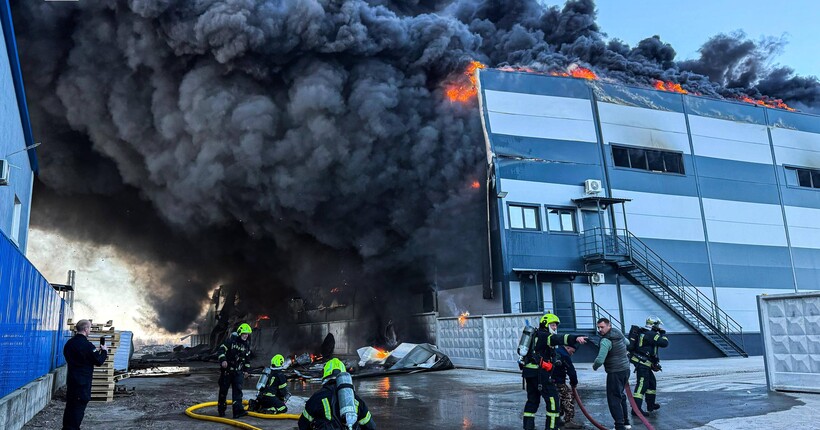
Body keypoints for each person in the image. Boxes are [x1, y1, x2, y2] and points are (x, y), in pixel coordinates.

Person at [521, 313, 588, 430]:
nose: (555, 328)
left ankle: (528, 427)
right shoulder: (545, 336)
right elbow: (559, 338)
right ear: (545, 324)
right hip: (540, 374)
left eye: (556, 325)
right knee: (553, 402)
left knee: (532, 401)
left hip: (529, 373)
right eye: (552, 325)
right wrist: (575, 338)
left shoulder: (536, 335)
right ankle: (551, 428)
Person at [298, 358, 375, 429]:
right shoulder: (355, 400)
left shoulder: (318, 397)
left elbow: (302, 424)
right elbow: (371, 427)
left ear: (326, 374)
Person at [63, 319, 108, 430]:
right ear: (86, 329)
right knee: (77, 411)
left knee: (70, 408)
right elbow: (98, 361)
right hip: (82, 384)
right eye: (90, 328)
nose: (90, 330)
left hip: (71, 381)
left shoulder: (69, 344)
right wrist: (104, 351)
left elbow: (78, 357)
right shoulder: (87, 346)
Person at [592, 318, 631, 430]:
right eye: (598, 327)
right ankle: (626, 422)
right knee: (621, 395)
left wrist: (594, 367)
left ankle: (619, 425)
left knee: (614, 398)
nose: (600, 330)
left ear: (609, 326)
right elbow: (627, 342)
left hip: (615, 371)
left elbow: (600, 360)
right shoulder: (618, 334)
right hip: (625, 369)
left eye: (602, 327)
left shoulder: (606, 340)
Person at [631, 316, 669, 415]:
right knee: (642, 385)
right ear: (653, 325)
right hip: (642, 362)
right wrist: (663, 333)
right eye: (657, 325)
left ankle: (650, 405)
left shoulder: (643, 331)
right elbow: (664, 343)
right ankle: (636, 409)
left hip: (644, 361)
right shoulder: (652, 334)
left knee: (651, 382)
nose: (658, 327)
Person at [217, 323, 253, 418]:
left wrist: (246, 370)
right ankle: (221, 410)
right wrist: (223, 360)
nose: (246, 336)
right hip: (227, 372)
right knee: (223, 391)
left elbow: (247, 359)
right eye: (244, 333)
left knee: (238, 392)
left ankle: (237, 412)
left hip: (238, 372)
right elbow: (221, 350)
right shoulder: (230, 341)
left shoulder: (246, 345)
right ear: (240, 333)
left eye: (247, 334)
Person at [552, 345, 583, 429]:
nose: (572, 354)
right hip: (558, 381)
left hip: (551, 380)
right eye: (572, 352)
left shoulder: (557, 351)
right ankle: (568, 421)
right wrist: (574, 383)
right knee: (568, 397)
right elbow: (571, 371)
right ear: (568, 347)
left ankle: (558, 417)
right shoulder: (564, 355)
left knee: (559, 399)